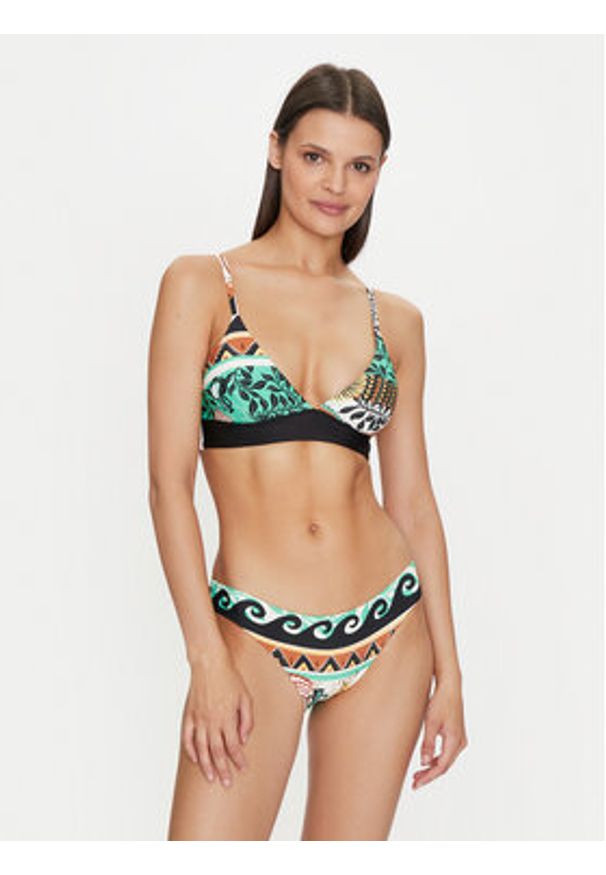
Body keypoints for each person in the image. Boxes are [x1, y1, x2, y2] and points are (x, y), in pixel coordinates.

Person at [147, 62, 467, 841]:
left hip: (389, 626)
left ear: (380, 172)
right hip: (252, 632)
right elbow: (167, 484)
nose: (336, 184)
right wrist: (205, 658)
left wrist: (451, 673)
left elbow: (413, 501)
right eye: (315, 157)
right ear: (276, 149)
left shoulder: (396, 321)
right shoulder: (202, 284)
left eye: (360, 165)